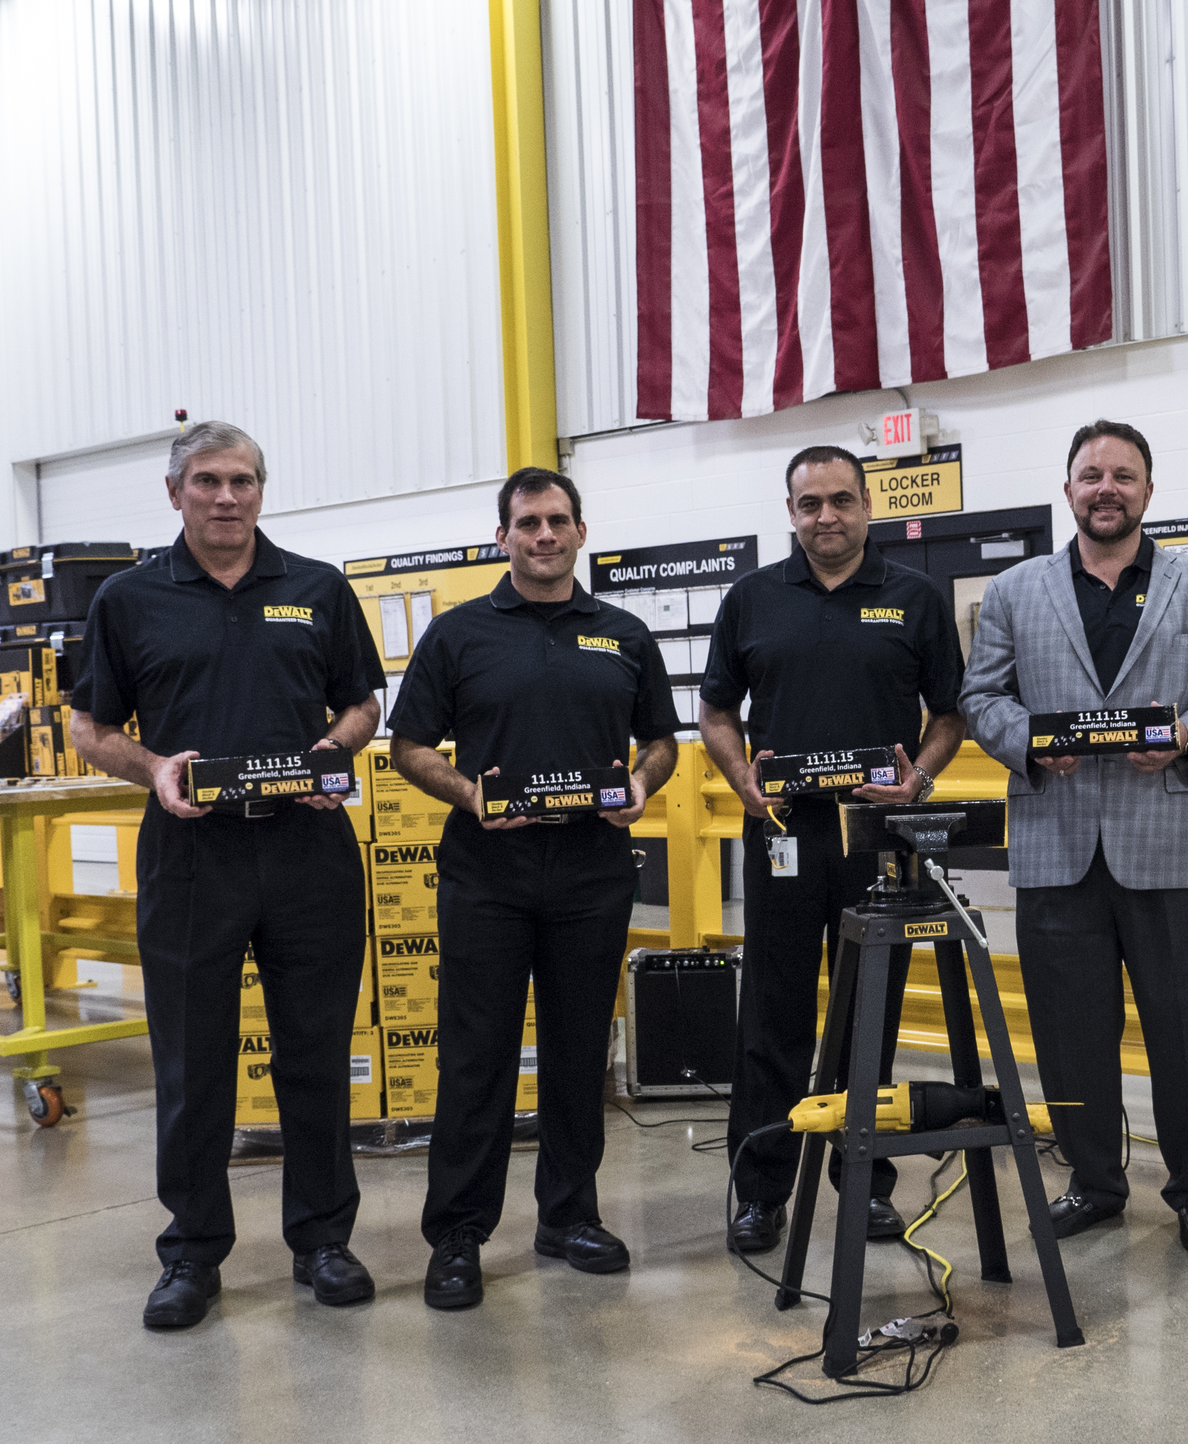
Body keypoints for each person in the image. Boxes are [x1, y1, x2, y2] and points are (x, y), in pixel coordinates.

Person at [70, 421, 386, 1330]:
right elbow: (92, 727)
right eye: (206, 480)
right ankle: (192, 1254)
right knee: (192, 1063)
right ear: (176, 493)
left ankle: (323, 1240)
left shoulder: (317, 588)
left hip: (307, 852)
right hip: (191, 856)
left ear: (261, 489)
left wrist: (334, 750)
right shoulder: (131, 599)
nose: (226, 496)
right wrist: (155, 769)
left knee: (315, 1057)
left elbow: (363, 702)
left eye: (242, 480)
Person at [961, 420, 1188, 1255]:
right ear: (1067, 490)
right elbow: (982, 698)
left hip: (1173, 843)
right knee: (1069, 1031)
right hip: (1057, 844)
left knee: (1185, 1028)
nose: (1106, 488)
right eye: (1091, 474)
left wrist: (1187, 739)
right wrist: (1025, 742)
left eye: (1123, 476)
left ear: (1147, 490)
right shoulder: (1017, 591)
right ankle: (1094, 1183)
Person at [387, 467, 679, 1309]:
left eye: (557, 521)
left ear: (581, 532)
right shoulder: (458, 635)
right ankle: (457, 1234)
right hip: (487, 876)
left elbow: (659, 740)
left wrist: (642, 786)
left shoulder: (623, 634)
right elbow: (410, 747)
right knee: (476, 1058)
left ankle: (569, 1217)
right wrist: (470, 795)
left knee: (579, 1050)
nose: (543, 535)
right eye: (527, 523)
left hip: (591, 873)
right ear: (504, 537)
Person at [700, 446, 966, 1255]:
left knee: (869, 1013)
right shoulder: (750, 599)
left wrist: (916, 779)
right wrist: (745, 779)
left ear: (867, 507)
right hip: (781, 833)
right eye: (809, 503)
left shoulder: (916, 599)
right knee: (770, 1016)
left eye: (841, 500)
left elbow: (949, 715)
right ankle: (761, 1190)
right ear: (790, 512)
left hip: (876, 838)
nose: (826, 516)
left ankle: (867, 1180)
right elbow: (715, 714)